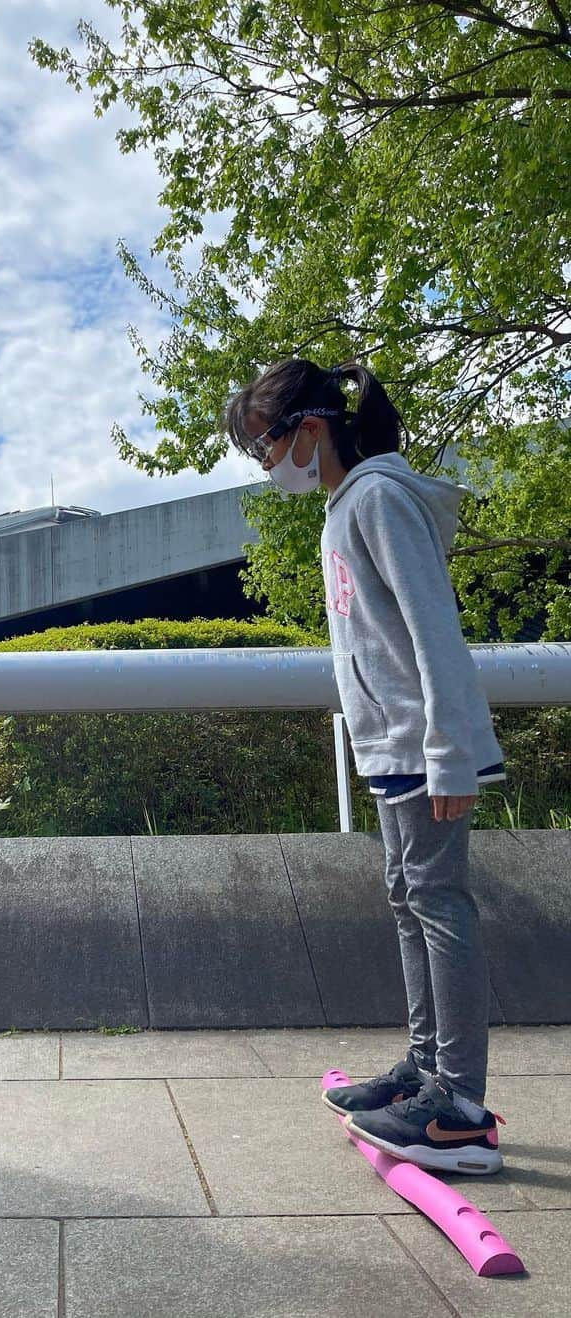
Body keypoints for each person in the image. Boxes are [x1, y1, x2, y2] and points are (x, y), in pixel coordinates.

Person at [224, 359, 505, 1175]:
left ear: (310, 429)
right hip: (391, 746)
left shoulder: (380, 497)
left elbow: (432, 630)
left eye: (265, 445)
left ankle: (459, 1106)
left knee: (440, 905)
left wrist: (451, 754)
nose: (266, 464)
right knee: (409, 900)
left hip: (424, 746)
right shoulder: (346, 506)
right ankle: (426, 1071)